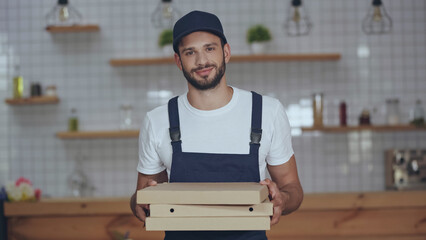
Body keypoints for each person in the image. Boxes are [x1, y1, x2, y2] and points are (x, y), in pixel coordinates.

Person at [130, 10, 303, 240]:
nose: (202, 61)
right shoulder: (158, 120)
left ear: (226, 52)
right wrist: (140, 204)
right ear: (178, 61)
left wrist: (282, 199)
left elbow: (293, 188)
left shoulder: (267, 112)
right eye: (190, 52)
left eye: (209, 48)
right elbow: (142, 196)